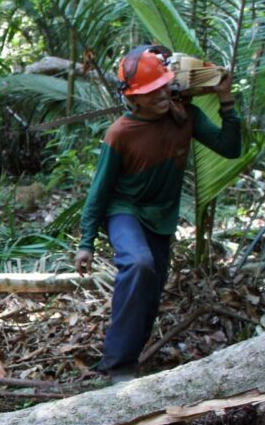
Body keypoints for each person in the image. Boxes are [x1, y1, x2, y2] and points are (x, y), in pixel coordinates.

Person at [74, 45, 241, 382]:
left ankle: (130, 361)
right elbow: (100, 191)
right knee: (138, 263)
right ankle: (114, 368)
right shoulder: (120, 133)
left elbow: (230, 147)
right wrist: (86, 242)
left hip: (161, 218)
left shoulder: (185, 116)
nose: (161, 94)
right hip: (124, 211)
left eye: (164, 85)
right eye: (151, 92)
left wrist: (226, 100)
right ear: (133, 99)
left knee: (151, 291)